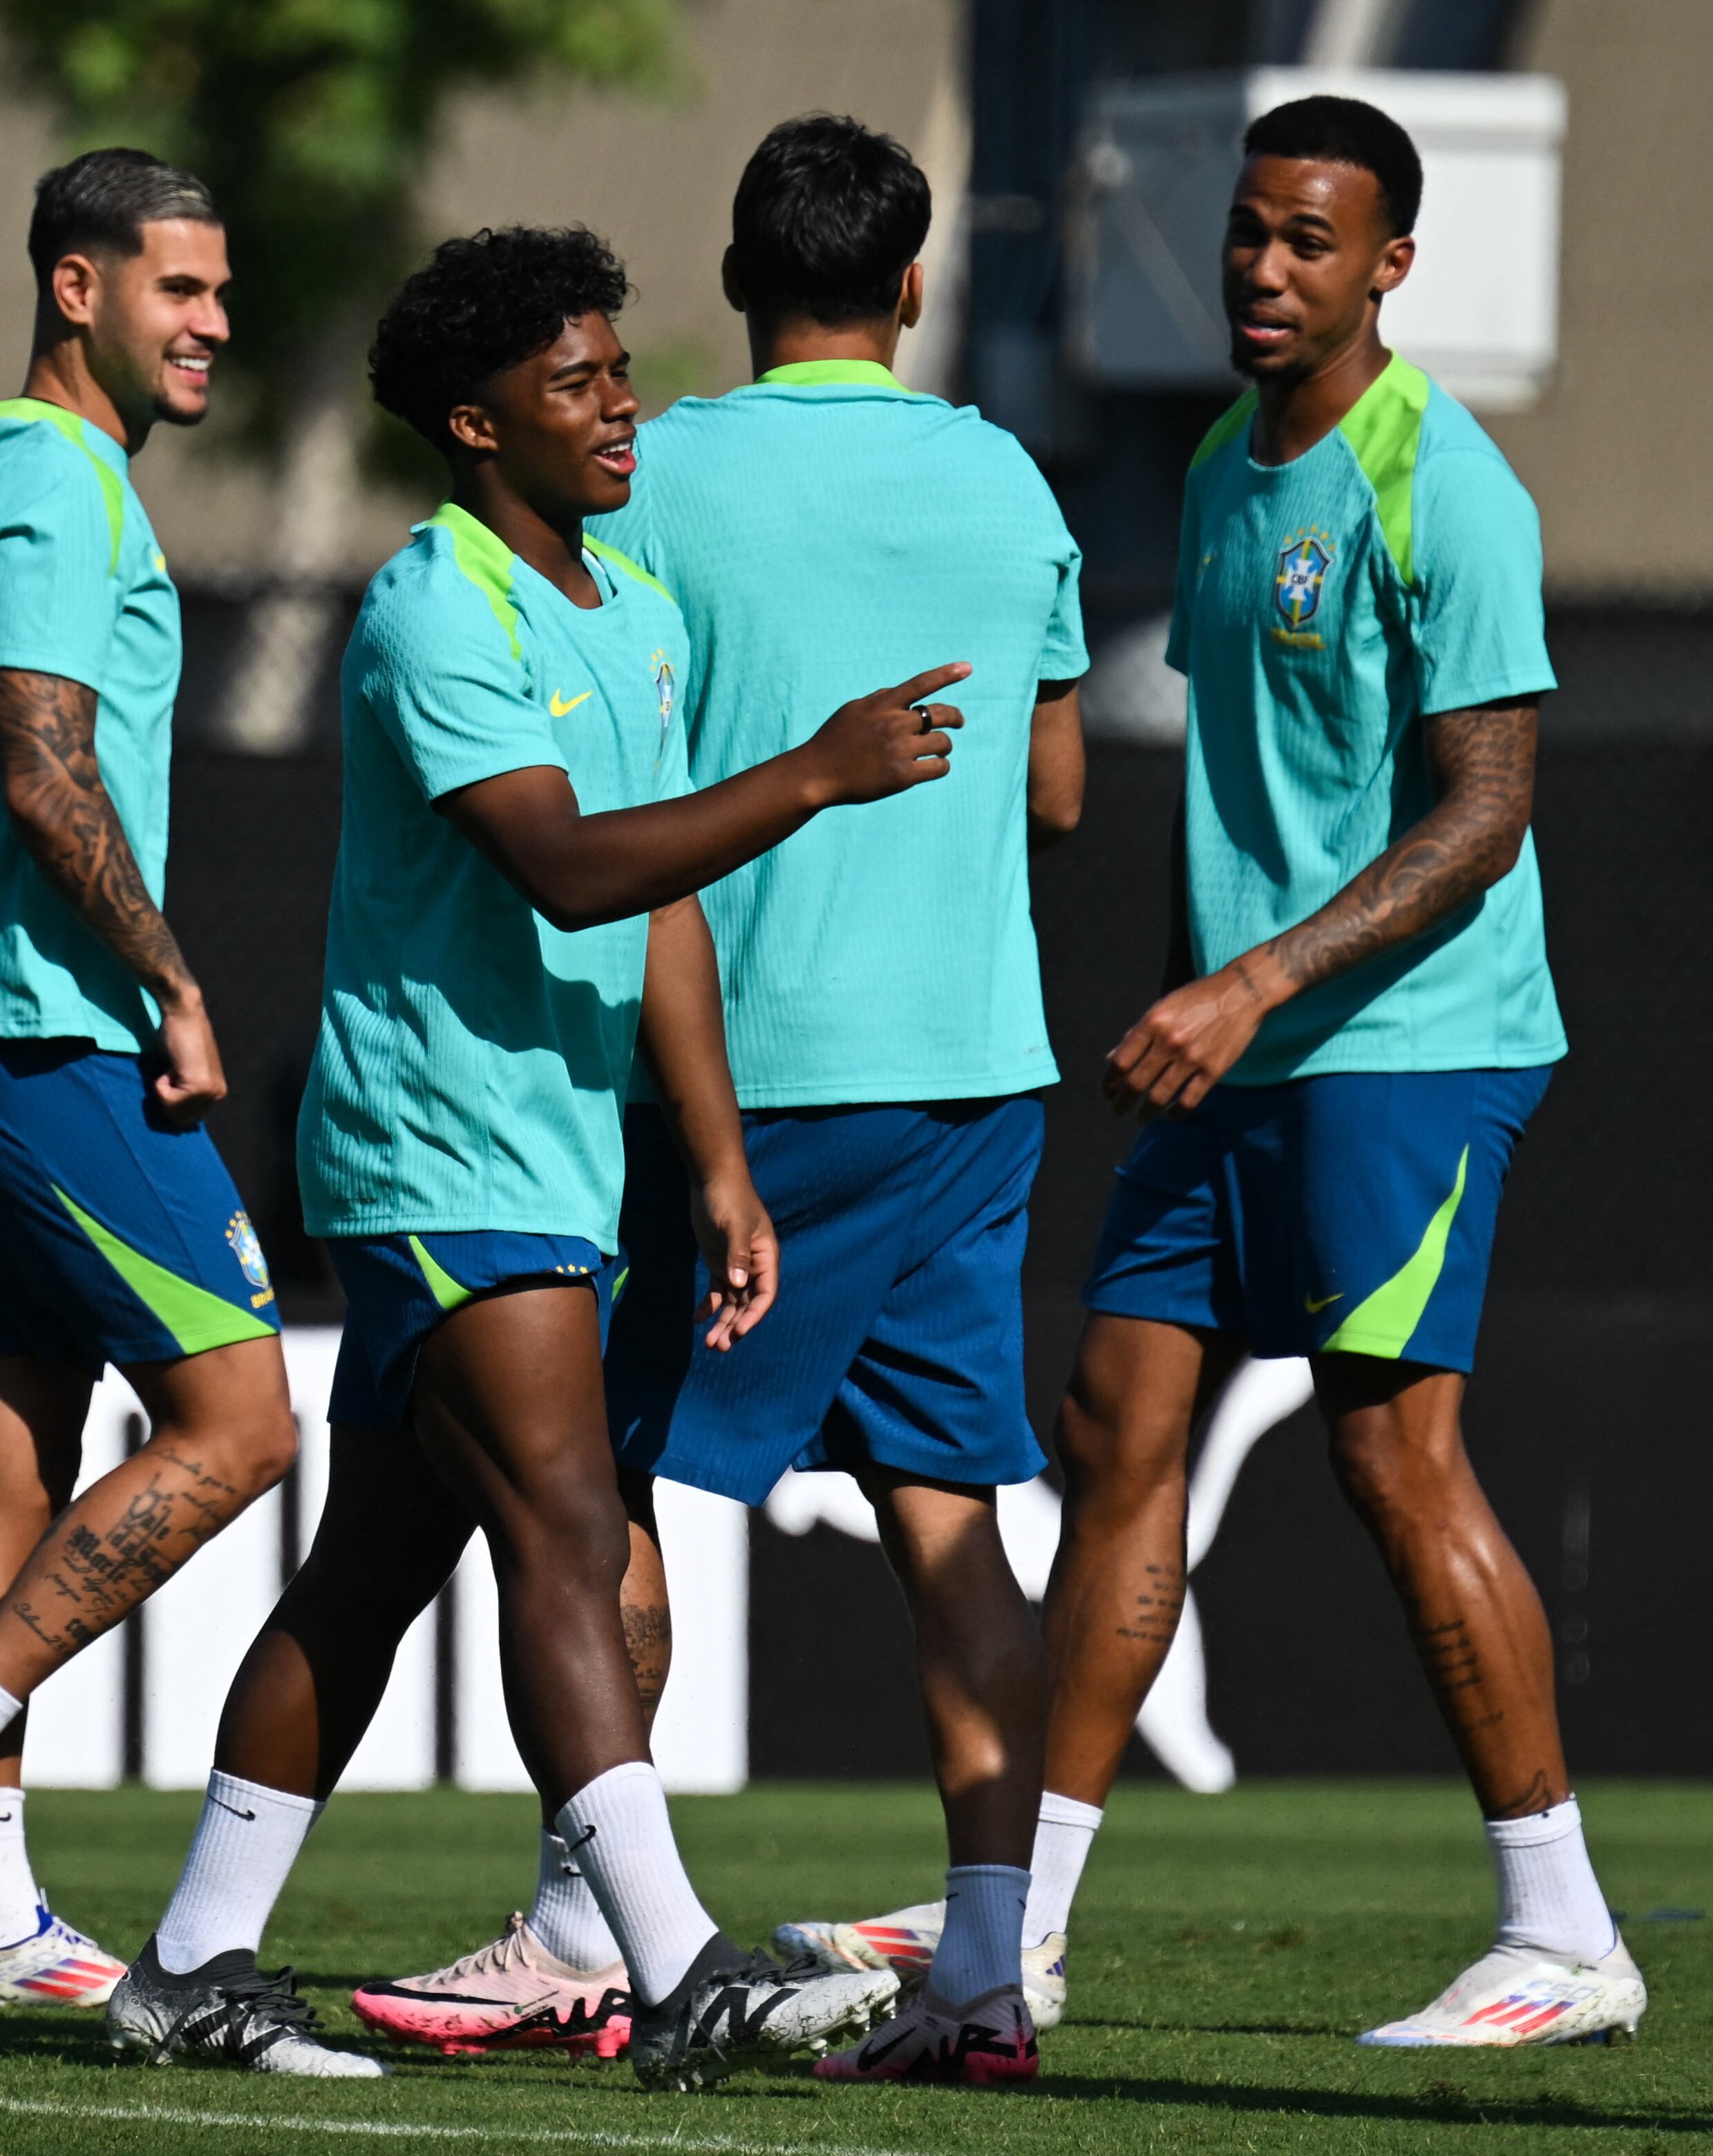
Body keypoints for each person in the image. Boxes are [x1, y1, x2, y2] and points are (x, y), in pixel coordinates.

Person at [797, 94, 1643, 2048]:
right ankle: (1020, 1939)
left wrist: (1245, 985)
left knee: (1385, 1448)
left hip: (1409, 1044)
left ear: (1391, 267)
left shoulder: (1448, 481)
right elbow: (1256, 796)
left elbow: (1485, 810)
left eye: (1311, 243)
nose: (1265, 272)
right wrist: (1203, 1005)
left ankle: (1564, 1926)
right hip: (1242, 1046)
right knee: (1110, 1425)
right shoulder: (1210, 462)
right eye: (1249, 234)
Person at [102, 223, 963, 2093]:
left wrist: (717, 1159)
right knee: (568, 1526)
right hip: (434, 1148)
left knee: (369, 1575)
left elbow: (656, 907)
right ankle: (680, 1966)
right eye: (575, 383)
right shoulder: (436, 605)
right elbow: (565, 862)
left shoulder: (625, 608)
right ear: (477, 426)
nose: (619, 405)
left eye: (616, 367)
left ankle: (184, 1962)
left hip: (556, 1153)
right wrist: (809, 772)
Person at [350, 117, 1081, 2089]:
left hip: (748, 1065)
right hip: (976, 1066)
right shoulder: (1013, 481)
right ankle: (991, 1979)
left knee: (610, 1496)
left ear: (740, 277)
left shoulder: (648, 470)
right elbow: (1059, 783)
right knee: (955, 1523)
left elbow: (601, 734)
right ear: (914, 285)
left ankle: (588, 1937)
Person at [0, 150, 297, 2012]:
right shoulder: (51, 481)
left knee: (6, 1450)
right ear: (74, 288)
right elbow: (40, 759)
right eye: (180, 289)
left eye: (223, 293)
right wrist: (167, 977)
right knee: (247, 1420)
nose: (216, 325)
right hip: (30, 1021)